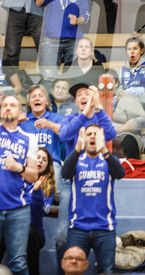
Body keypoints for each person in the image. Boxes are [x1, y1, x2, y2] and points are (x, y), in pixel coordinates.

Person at [0, 77, 39, 275]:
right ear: (0, 111)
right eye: (5, 105)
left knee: (18, 263)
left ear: (21, 114)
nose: (8, 108)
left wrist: (19, 168)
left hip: (18, 209)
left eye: (13, 105)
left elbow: (33, 175)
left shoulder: (29, 138)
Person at [55, 83, 117, 272]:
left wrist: (98, 108)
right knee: (61, 237)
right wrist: (83, 116)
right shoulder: (71, 118)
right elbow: (64, 134)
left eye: (87, 94)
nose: (84, 97)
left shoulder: (99, 119)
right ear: (75, 101)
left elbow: (112, 134)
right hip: (72, 179)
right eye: (80, 95)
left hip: (98, 177)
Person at [62, 125, 125, 274]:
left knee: (107, 270)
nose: (91, 137)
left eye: (95, 135)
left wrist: (104, 150)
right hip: (78, 227)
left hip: (104, 227)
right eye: (88, 134)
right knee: (72, 271)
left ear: (102, 139)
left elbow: (120, 173)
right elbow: (65, 173)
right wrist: (78, 147)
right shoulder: (76, 160)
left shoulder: (108, 160)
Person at [36, 0, 90, 71]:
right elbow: (38, 2)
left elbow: (86, 16)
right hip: (51, 40)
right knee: (48, 76)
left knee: (73, 76)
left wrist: (78, 20)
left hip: (74, 40)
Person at [21, 85, 63, 180]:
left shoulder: (56, 118)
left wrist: (50, 125)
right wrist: (15, 121)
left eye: (41, 96)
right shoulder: (23, 120)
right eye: (33, 96)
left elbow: (66, 134)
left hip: (52, 164)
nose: (37, 99)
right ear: (29, 103)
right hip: (28, 164)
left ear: (47, 102)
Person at [118, 37, 145, 125]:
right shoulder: (122, 70)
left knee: (137, 114)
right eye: (129, 49)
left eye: (135, 48)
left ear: (142, 50)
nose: (132, 52)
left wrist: (135, 100)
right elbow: (119, 93)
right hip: (128, 109)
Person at [27, 148, 56, 275]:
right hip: (14, 227)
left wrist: (36, 191)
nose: (40, 161)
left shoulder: (49, 186)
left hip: (35, 231)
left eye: (44, 160)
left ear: (47, 165)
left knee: (29, 233)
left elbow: (41, 212)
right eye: (38, 157)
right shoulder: (19, 178)